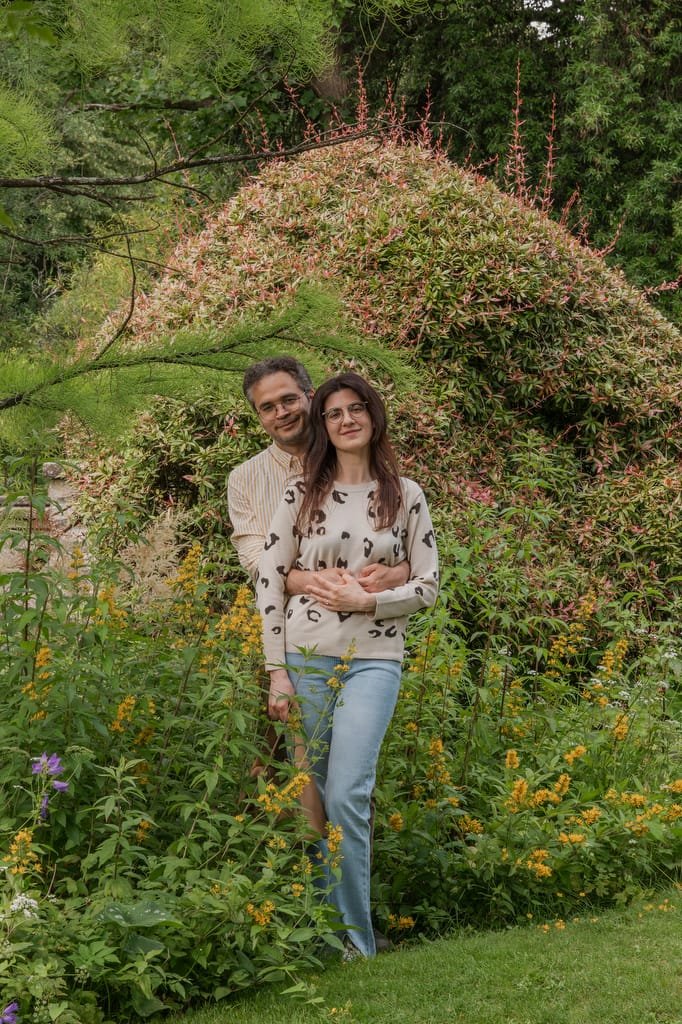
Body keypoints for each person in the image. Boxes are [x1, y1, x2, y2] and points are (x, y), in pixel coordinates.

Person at [256, 372, 439, 960]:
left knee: (348, 794)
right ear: (324, 425)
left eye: (356, 409)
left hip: (374, 659)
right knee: (309, 795)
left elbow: (429, 585)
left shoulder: (406, 494)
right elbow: (270, 577)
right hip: (306, 657)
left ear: (373, 416)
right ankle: (321, 931)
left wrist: (373, 600)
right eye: (333, 414)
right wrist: (275, 668)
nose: (346, 420)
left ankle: (356, 942)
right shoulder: (301, 492)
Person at [227, 357, 410, 836]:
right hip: (289, 636)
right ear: (258, 417)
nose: (281, 412)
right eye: (267, 408)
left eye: (289, 399)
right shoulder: (247, 479)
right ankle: (304, 880)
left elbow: (403, 544)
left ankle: (343, 878)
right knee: (291, 769)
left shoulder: (357, 452)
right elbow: (258, 562)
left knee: (349, 776)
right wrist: (311, 582)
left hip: (365, 637)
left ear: (310, 398)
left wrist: (398, 574)